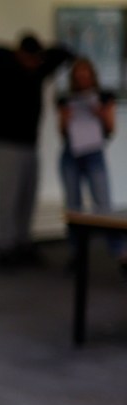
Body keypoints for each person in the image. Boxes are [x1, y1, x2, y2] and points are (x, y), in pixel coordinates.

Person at [0, 32, 73, 270]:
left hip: (31, 144)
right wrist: (16, 55)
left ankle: (23, 242)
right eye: (29, 57)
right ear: (19, 54)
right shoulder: (1, 69)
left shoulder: (38, 72)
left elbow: (65, 54)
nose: (33, 63)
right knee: (7, 199)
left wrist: (38, 58)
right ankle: (5, 247)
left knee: (27, 198)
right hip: (7, 144)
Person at [56, 57, 127, 275]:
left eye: (86, 73)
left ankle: (121, 254)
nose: (82, 77)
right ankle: (76, 255)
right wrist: (66, 118)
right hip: (72, 154)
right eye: (78, 74)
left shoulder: (105, 97)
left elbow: (110, 129)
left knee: (103, 206)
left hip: (94, 153)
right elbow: (62, 131)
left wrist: (99, 113)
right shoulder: (65, 99)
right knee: (74, 207)